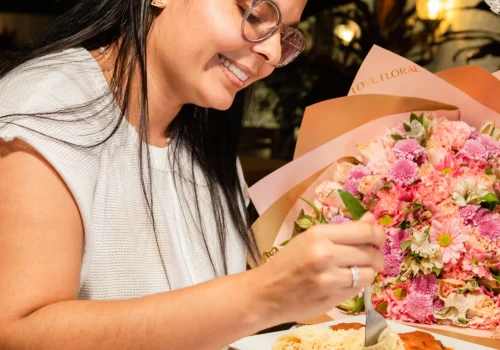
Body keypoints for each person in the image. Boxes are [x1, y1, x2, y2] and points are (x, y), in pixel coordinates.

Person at [0, 0, 385, 349]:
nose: (271, 51)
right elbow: (16, 332)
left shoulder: (202, 137)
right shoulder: (47, 109)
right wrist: (265, 295)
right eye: (252, 12)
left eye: (284, 33)